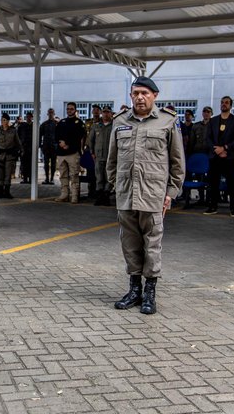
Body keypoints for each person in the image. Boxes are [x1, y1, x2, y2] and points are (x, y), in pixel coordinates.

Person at [106, 76, 185, 315]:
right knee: (130, 243)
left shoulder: (167, 121)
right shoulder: (120, 121)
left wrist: (170, 193)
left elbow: (177, 162)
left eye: (144, 93)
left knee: (152, 244)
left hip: (153, 194)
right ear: (130, 96)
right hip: (127, 193)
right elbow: (112, 160)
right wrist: (117, 185)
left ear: (154, 96)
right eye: (135, 93)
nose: (139, 97)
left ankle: (150, 293)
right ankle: (134, 290)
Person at [205, 96, 234, 217]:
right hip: (215, 156)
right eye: (222, 102)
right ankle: (212, 206)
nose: (224, 104)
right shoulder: (213, 120)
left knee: (231, 183)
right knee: (213, 183)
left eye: (226, 103)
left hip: (229, 156)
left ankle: (233, 208)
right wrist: (216, 149)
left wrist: (225, 148)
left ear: (230, 106)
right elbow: (208, 138)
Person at [54, 102, 86, 203]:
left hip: (72, 153)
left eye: (71, 109)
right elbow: (56, 135)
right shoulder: (62, 122)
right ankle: (64, 194)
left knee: (74, 175)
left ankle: (75, 196)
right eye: (68, 109)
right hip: (61, 153)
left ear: (75, 110)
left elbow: (79, 137)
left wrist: (68, 144)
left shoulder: (79, 123)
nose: (69, 110)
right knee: (63, 175)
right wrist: (61, 143)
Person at [88, 106, 114, 206]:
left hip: (110, 156)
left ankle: (106, 196)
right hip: (98, 156)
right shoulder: (96, 126)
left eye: (108, 112)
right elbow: (91, 140)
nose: (106, 114)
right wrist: (92, 152)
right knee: (99, 177)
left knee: (109, 177)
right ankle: (99, 197)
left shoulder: (114, 126)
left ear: (111, 114)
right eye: (104, 112)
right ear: (101, 113)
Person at [0, 112, 21, 199]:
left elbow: (18, 142)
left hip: (10, 156)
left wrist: (21, 150)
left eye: (5, 120)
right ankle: (0, 192)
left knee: (8, 174)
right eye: (2, 120)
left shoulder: (13, 130)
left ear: (8, 121)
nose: (3, 122)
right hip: (0, 155)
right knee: (0, 174)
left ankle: (7, 192)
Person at [39, 108, 57, 184]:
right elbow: (40, 135)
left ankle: (52, 178)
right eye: (49, 113)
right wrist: (40, 145)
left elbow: (60, 135)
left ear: (54, 114)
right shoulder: (44, 124)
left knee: (53, 164)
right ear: (47, 114)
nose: (50, 114)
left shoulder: (56, 124)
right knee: (46, 164)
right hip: (46, 147)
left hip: (54, 147)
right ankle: (47, 178)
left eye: (52, 113)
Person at [17, 112, 33, 183]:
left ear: (32, 117)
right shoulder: (22, 125)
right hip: (23, 148)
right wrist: (19, 146)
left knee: (31, 164)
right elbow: (18, 136)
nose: (28, 118)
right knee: (24, 164)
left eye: (30, 117)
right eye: (27, 117)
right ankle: (25, 179)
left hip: (31, 148)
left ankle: (31, 179)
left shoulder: (34, 125)